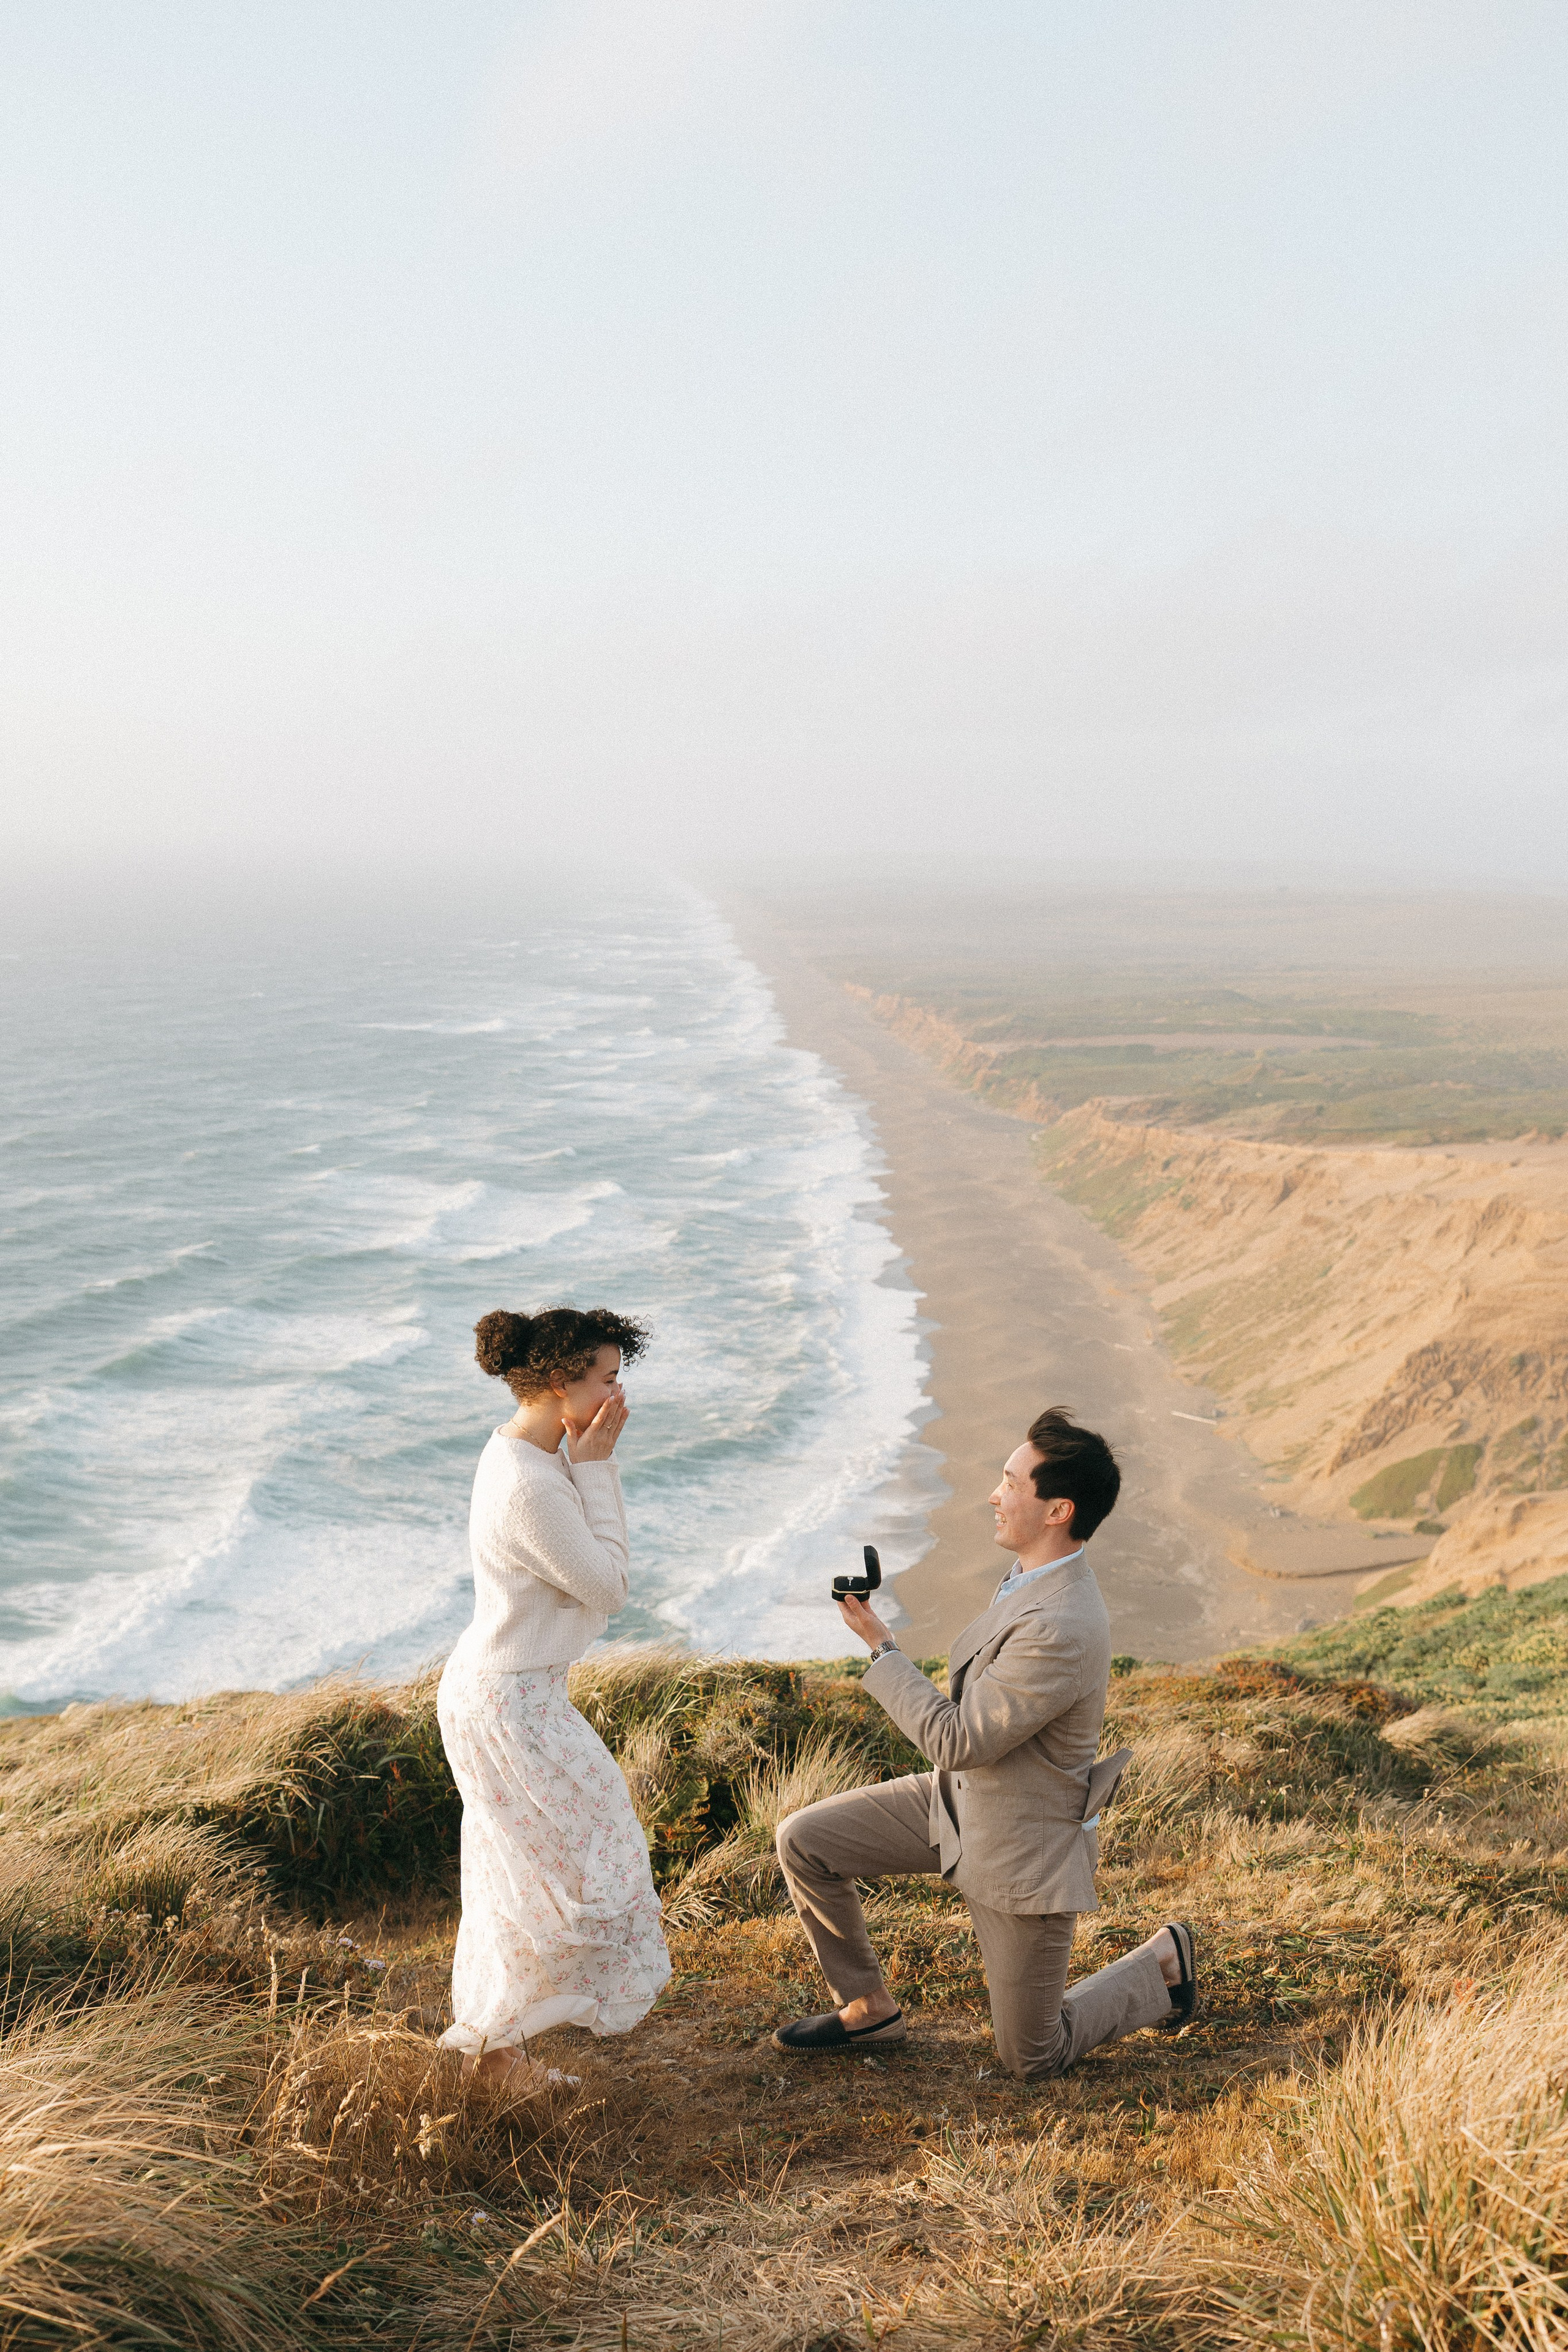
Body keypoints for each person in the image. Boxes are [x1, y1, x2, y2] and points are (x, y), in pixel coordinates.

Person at [771, 1407, 1196, 2078]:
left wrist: (881, 1650)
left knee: (1031, 2056)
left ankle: (1162, 1966)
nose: (992, 1496)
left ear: (1058, 1510)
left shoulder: (1063, 1623)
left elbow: (958, 1740)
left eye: (1009, 1483)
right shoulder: (1030, 1580)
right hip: (955, 1806)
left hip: (1020, 1849)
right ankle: (867, 2007)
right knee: (805, 1840)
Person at [437, 1303, 670, 2093]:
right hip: (510, 1701)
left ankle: (495, 2051)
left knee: (528, 1872)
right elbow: (608, 1586)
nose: (618, 1395)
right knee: (582, 1868)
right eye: (607, 1378)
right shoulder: (529, 1484)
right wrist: (599, 1467)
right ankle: (492, 2049)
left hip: (508, 1691)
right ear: (561, 1383)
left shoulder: (529, 1458)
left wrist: (583, 1462)